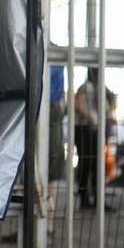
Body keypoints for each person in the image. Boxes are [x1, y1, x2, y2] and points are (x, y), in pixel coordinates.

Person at [74, 68, 116, 211]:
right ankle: (87, 199)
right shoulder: (87, 87)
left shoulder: (100, 88)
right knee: (87, 164)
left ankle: (95, 199)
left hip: (93, 130)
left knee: (95, 165)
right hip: (85, 130)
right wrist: (90, 117)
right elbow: (78, 104)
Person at [47, 66, 66, 238]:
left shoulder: (28, 43)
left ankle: (45, 225)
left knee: (42, 171)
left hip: (45, 107)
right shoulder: (55, 53)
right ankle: (47, 225)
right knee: (51, 172)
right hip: (52, 108)